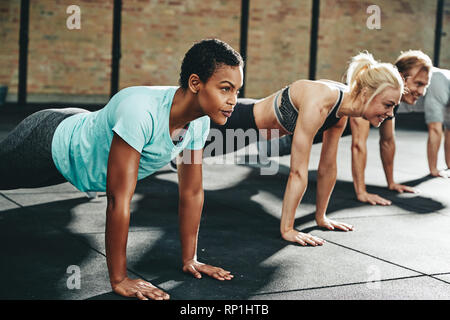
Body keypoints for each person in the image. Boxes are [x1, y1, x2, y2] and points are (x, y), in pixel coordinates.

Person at [0, 39, 244, 300]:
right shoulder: (140, 111)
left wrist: (190, 259)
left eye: (237, 91)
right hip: (49, 140)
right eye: (226, 89)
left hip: (79, 153)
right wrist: (119, 279)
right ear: (196, 83)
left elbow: (192, 192)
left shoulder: (199, 124)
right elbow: (118, 199)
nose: (233, 100)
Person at [199, 52, 404, 246]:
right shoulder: (321, 102)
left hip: (251, 136)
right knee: (176, 141)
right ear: (367, 93)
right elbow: (297, 172)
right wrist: (288, 229)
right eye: (387, 104)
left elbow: (327, 166)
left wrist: (321, 216)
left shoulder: (341, 110)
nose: (390, 113)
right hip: (234, 120)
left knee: (188, 154)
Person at [350, 50, 434, 206]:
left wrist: (392, 182)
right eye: (418, 84)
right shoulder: (370, 94)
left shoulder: (390, 104)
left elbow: (387, 141)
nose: (422, 92)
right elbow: (358, 144)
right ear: (401, 77)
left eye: (425, 86)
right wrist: (361, 192)